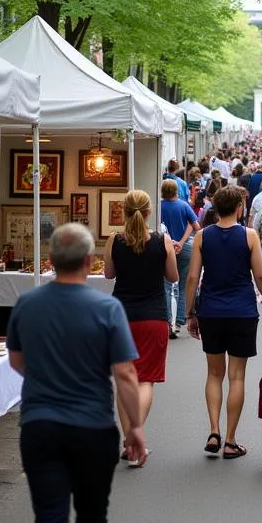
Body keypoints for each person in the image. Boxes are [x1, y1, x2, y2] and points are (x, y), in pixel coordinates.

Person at [7, 224, 146, 523]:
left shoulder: (27, 304)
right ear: (91, 263)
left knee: (49, 517)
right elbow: (124, 371)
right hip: (92, 427)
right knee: (91, 511)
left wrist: (47, 378)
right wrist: (135, 426)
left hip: (40, 425)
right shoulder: (106, 309)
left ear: (49, 260)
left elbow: (16, 360)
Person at [185, 185, 262, 459]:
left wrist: (190, 313)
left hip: (211, 310)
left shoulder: (202, 236)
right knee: (237, 376)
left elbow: (192, 278)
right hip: (242, 310)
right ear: (239, 208)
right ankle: (231, 440)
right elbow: (260, 275)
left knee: (214, 374)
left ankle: (213, 430)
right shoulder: (249, 236)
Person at [103, 190, 178, 466]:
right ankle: (137, 436)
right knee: (145, 380)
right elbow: (173, 276)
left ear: (124, 211)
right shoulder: (162, 241)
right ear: (149, 212)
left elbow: (108, 274)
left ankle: (128, 441)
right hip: (153, 317)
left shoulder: (115, 240)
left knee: (124, 379)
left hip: (120, 315)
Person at [160, 179, 200, 340]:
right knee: (183, 284)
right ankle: (180, 319)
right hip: (183, 249)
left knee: (167, 285)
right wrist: (182, 242)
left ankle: (169, 320)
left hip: (164, 247)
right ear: (177, 191)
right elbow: (196, 226)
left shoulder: (159, 206)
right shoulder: (184, 206)